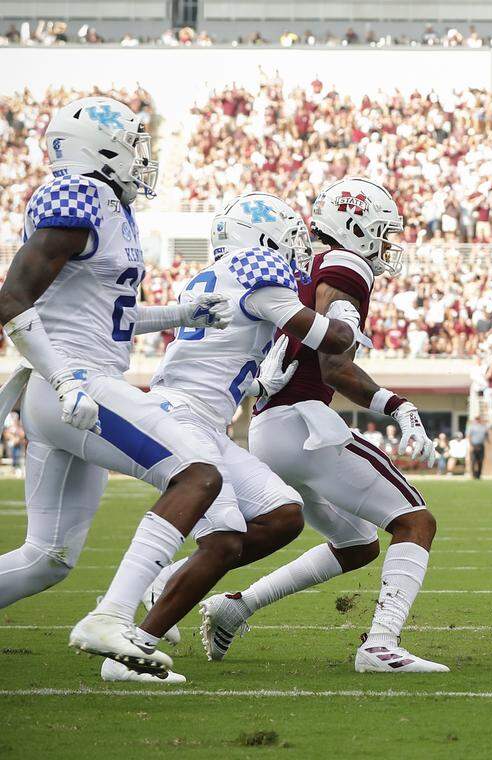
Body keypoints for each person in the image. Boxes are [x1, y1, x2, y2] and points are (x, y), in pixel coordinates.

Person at [0, 96, 231, 676]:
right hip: (73, 384)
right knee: (198, 473)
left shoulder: (108, 207)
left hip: (71, 386)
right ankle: (113, 617)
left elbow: (110, 315)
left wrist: (182, 314)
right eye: (132, 143)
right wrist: (64, 378)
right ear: (98, 149)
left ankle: (112, 617)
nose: (141, 156)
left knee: (47, 557)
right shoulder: (78, 193)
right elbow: (11, 299)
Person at [200, 177, 445, 674]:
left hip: (270, 425)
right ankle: (379, 644)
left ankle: (233, 605)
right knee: (415, 521)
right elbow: (336, 365)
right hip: (305, 424)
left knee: (357, 545)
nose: (382, 246)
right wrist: (397, 405)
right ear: (355, 227)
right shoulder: (347, 266)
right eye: (379, 233)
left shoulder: (302, 267)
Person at [121, 191, 363, 683]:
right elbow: (333, 341)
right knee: (226, 538)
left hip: (205, 422)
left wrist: (257, 383)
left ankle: (165, 585)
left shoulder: (228, 278)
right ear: (262, 240)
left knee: (283, 515)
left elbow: (223, 352)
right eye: (289, 240)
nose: (297, 251)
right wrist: (347, 316)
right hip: (184, 421)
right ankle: (133, 646)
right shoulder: (255, 276)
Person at [467, 415, 489, 480]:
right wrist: (470, 445)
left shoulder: (484, 427)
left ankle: (479, 475)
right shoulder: (471, 427)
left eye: (478, 419)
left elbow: (486, 435)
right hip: (474, 445)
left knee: (480, 461)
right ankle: (473, 475)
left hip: (481, 445)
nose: (477, 420)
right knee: (473, 461)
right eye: (476, 419)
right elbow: (469, 436)